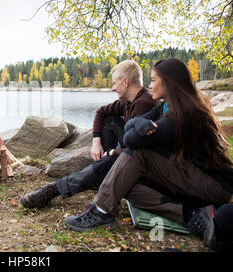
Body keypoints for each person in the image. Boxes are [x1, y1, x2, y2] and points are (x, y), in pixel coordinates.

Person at [64, 58, 233, 249]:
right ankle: (191, 214)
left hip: (213, 185)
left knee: (138, 154)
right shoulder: (165, 106)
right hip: (189, 177)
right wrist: (140, 124)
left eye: (153, 80)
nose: (150, 85)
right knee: (126, 183)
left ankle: (101, 211)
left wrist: (139, 126)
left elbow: (133, 141)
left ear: (168, 81)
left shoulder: (184, 113)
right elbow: (129, 129)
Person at [20, 60, 156, 208]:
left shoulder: (144, 103)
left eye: (114, 83)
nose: (112, 88)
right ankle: (102, 173)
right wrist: (96, 142)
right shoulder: (128, 101)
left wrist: (113, 152)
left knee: (108, 161)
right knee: (109, 118)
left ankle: (52, 190)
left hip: (140, 162)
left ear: (126, 82)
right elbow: (101, 112)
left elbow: (141, 149)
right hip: (129, 151)